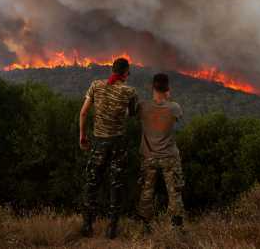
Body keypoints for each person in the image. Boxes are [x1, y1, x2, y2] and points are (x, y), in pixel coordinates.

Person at [79, 58, 137, 239]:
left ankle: (87, 226)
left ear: (112, 70)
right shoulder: (130, 91)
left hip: (98, 142)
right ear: (126, 73)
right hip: (118, 144)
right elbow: (132, 114)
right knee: (116, 185)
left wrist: (82, 135)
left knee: (92, 184)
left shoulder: (96, 85)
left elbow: (83, 112)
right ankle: (111, 229)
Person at [137, 73, 185, 234]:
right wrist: (168, 98)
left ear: (153, 87)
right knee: (174, 191)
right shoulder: (174, 107)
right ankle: (176, 227)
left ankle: (145, 226)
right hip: (169, 157)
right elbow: (177, 117)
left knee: (146, 191)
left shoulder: (143, 106)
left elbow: (132, 112)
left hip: (148, 156)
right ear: (167, 88)